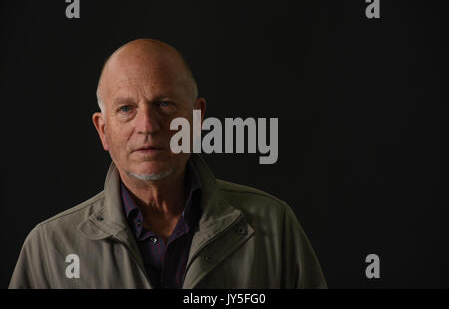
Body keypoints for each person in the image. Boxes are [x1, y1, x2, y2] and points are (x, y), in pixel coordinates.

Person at [9, 39, 327, 289]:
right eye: (125, 109)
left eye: (164, 103)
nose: (147, 125)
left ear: (197, 118)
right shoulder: (49, 248)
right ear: (103, 130)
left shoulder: (274, 225)